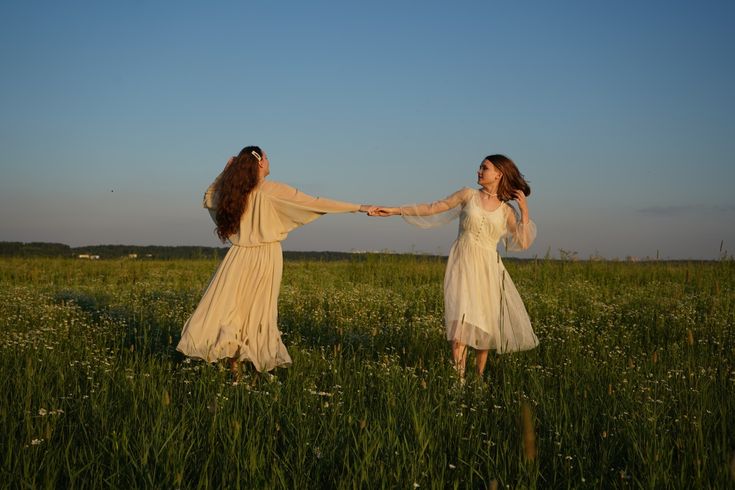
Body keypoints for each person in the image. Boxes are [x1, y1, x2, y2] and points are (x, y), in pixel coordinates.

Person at [177, 146, 375, 373]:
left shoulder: (234, 193)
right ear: (260, 162)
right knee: (257, 310)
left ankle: (234, 365)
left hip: (237, 257)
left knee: (233, 308)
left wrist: (225, 172)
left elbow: (209, 197)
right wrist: (359, 207)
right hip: (265, 257)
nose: (269, 161)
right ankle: (247, 363)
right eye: (267, 157)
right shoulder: (270, 190)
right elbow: (315, 203)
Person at [371, 154, 538, 380]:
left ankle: (478, 379)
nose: (479, 171)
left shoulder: (506, 211)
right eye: (480, 167)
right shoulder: (467, 194)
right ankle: (458, 380)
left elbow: (522, 242)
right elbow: (433, 208)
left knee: (484, 324)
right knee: (460, 322)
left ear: (498, 174)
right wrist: (394, 210)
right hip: (462, 263)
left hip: (489, 269)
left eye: (484, 168)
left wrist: (524, 211)